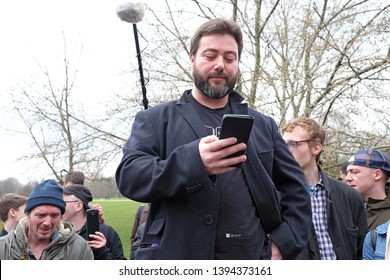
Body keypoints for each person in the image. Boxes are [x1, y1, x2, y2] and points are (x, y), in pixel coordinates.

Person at [116, 18, 312, 260]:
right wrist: (194, 162)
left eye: (230, 58)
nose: (221, 65)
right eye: (210, 56)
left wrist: (283, 244)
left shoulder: (263, 125)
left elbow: (297, 189)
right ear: (192, 58)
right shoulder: (156, 119)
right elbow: (130, 177)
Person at [281, 116, 368, 259]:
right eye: (283, 144)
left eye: (294, 144)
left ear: (316, 148)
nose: (286, 150)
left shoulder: (349, 196)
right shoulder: (275, 195)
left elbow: (362, 252)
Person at [0, 179, 93, 260]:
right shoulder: (3, 247)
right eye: (41, 215)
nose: (47, 222)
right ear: (28, 215)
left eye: (54, 215)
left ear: (61, 217)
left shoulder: (80, 249)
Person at [62, 184, 126, 260]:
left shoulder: (106, 232)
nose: (59, 206)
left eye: (63, 202)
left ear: (78, 205)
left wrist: (102, 252)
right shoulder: (58, 234)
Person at [345, 148, 390, 230]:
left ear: (377, 174)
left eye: (354, 172)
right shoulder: (343, 208)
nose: (348, 178)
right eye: (347, 172)